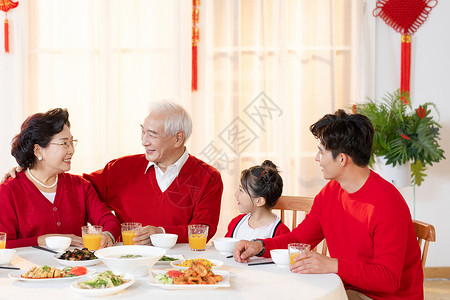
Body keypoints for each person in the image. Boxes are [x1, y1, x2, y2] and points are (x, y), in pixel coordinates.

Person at [233, 110, 423, 300]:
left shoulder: (387, 203)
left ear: (341, 159)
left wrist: (332, 265)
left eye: (322, 151)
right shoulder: (330, 193)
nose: (317, 158)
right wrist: (259, 246)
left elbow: (388, 280)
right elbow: (299, 238)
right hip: (344, 289)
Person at [82, 101, 223, 244]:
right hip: (127, 261)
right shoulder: (120, 168)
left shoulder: (208, 177)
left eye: (152, 135)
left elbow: (203, 230)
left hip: (178, 263)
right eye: (143, 132)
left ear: (178, 138)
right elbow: (78, 191)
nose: (144, 141)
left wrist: (161, 233)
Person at [0, 108, 120, 249]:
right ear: (38, 150)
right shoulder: (9, 190)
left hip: (78, 270)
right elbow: (3, 244)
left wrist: (107, 235)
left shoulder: (80, 185)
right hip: (28, 270)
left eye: (71, 142)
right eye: (64, 143)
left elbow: (108, 220)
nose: (71, 150)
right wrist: (42, 240)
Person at [225, 160, 290, 239]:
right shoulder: (236, 223)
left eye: (241, 190)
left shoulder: (280, 232)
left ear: (259, 201)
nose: (236, 194)